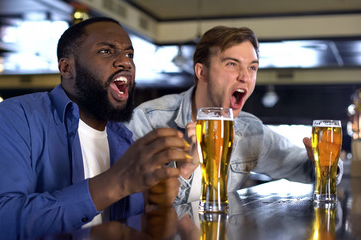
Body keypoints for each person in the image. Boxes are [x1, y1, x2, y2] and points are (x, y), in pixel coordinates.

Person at [0, 17, 191, 239]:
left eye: (129, 54)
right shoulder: (15, 118)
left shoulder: (123, 140)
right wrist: (115, 182)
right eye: (106, 51)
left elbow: (129, 228)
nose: (125, 62)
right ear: (67, 68)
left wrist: (159, 206)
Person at [126, 25, 343, 205]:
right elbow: (132, 205)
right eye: (232, 64)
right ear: (202, 72)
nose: (245, 77)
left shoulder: (250, 131)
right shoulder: (148, 120)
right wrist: (186, 168)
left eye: (252, 68)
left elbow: (305, 170)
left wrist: (325, 161)